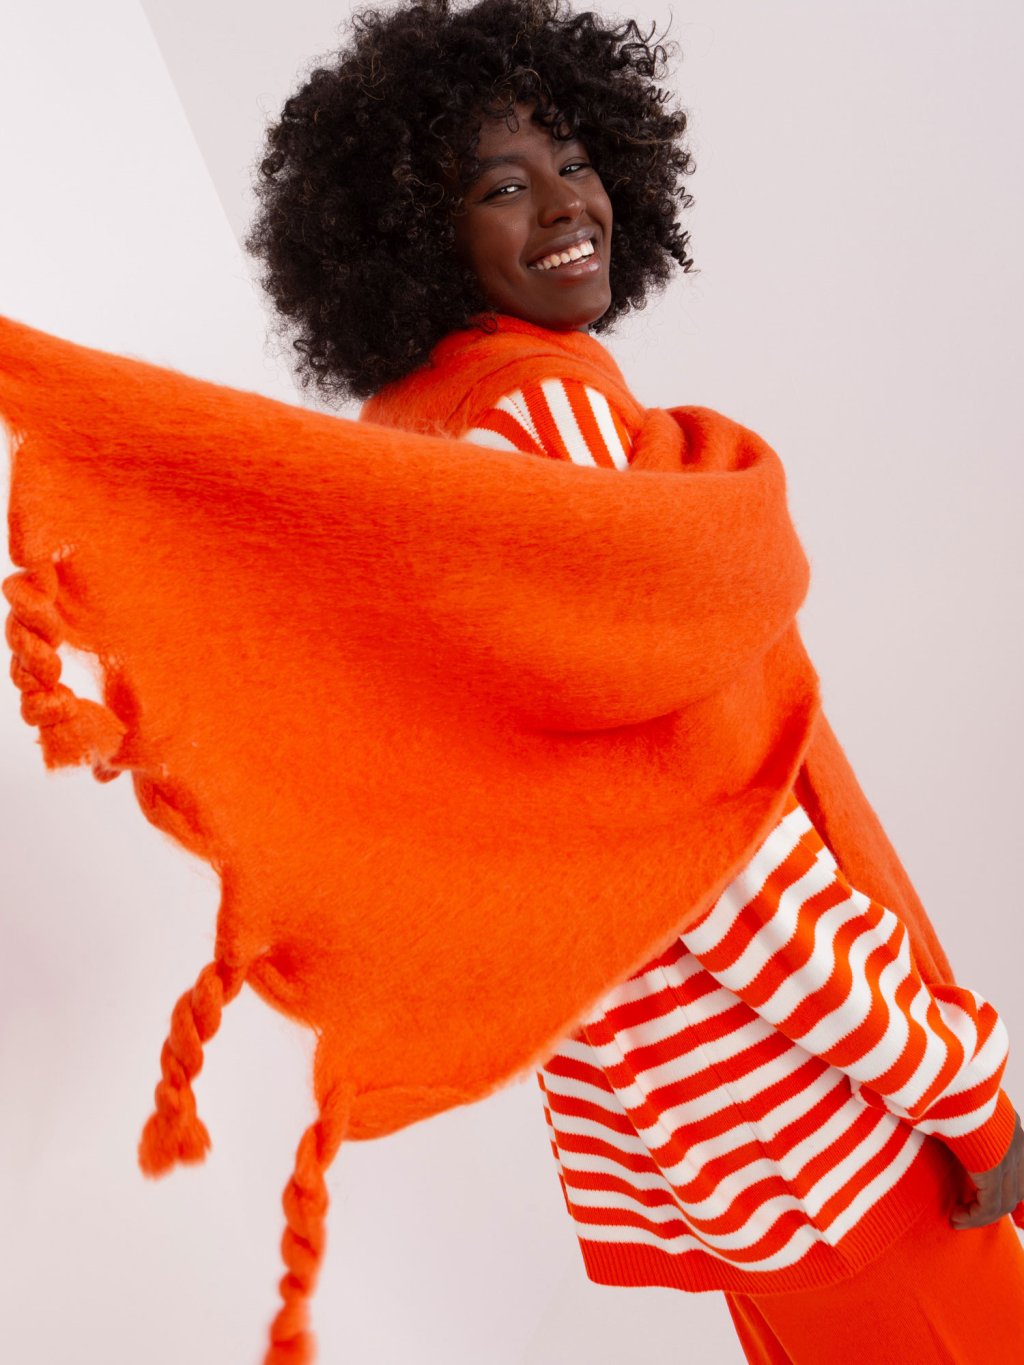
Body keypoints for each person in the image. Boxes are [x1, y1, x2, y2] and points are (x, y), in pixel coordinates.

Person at [245, 0, 1024, 1358]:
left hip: (715, 1145)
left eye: (572, 159)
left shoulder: (418, 446)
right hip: (829, 1129)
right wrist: (956, 1087)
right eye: (501, 186)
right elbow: (703, 844)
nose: (567, 204)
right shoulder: (543, 426)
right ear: (411, 236)